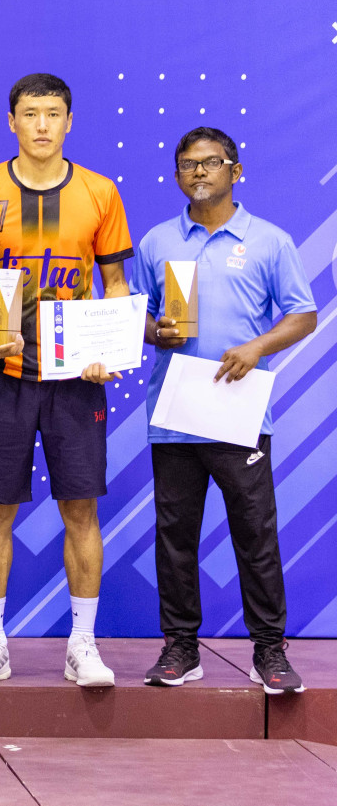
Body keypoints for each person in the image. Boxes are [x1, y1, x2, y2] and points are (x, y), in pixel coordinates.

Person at [0, 73, 132, 688]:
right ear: (12, 121)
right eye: (31, 113)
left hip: (77, 377)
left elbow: (115, 287)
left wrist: (108, 348)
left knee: (81, 508)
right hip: (5, 373)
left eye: (54, 113)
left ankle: (83, 644)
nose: (43, 124)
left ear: (69, 121)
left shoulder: (100, 192)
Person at [135, 127, 316, 693]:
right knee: (175, 536)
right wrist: (154, 332)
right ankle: (180, 649)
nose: (199, 172)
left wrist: (257, 348)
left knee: (255, 535)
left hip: (239, 414)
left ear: (235, 170)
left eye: (211, 163)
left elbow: (303, 314)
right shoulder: (157, 242)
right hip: (175, 413)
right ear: (176, 176)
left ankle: (271, 652)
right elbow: (135, 316)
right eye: (187, 164)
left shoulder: (269, 241)